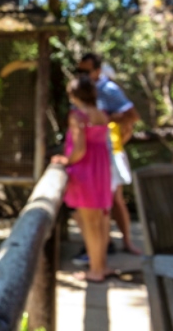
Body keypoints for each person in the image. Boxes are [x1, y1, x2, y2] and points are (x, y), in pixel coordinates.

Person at [71, 53, 141, 267]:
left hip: (107, 153)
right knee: (104, 201)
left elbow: (131, 116)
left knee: (109, 201)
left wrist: (108, 126)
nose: (82, 75)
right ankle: (104, 247)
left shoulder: (108, 89)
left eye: (86, 71)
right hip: (97, 154)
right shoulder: (85, 92)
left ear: (97, 71)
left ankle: (117, 245)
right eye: (79, 71)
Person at [53, 74, 113, 282]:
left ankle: (95, 271)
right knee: (100, 222)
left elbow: (79, 148)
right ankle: (101, 266)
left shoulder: (77, 116)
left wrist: (66, 160)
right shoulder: (101, 114)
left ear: (75, 94)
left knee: (89, 224)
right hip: (101, 171)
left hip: (85, 172)